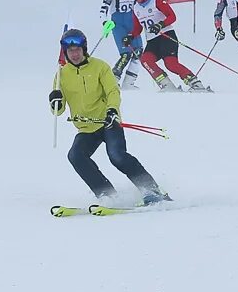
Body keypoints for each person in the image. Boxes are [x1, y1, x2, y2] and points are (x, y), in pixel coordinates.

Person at [48, 28, 170, 204]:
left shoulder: (100, 67)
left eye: (77, 50)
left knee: (117, 156)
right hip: (86, 128)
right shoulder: (61, 75)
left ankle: (152, 190)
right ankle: (107, 194)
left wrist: (112, 111)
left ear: (84, 49)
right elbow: (57, 111)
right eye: (70, 51)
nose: (74, 54)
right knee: (75, 156)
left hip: (108, 122)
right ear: (65, 52)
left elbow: (113, 91)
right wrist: (55, 101)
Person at [125, 0, 209, 92]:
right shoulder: (136, 8)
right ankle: (166, 84)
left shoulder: (157, 1)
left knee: (171, 64)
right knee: (146, 60)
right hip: (152, 41)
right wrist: (130, 36)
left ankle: (195, 83)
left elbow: (172, 16)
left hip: (166, 36)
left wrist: (160, 24)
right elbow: (138, 27)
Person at [98, 0, 142, 89]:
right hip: (118, 23)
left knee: (139, 52)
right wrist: (105, 22)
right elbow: (103, 8)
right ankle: (113, 80)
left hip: (133, 21)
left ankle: (129, 82)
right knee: (126, 54)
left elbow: (144, 0)